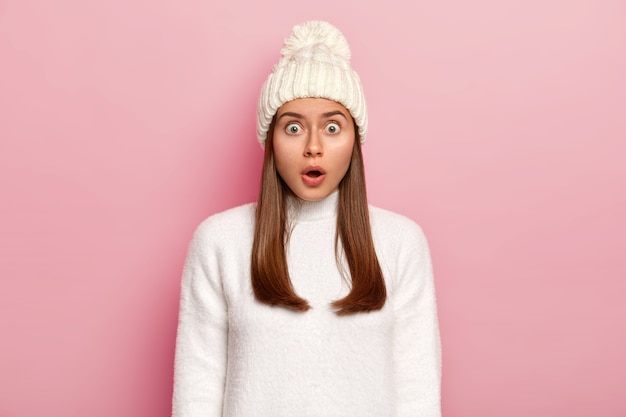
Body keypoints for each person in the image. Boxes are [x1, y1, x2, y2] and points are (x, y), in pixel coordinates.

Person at [172, 20, 441, 417]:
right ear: (271, 140)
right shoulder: (219, 241)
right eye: (294, 127)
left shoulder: (401, 242)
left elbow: (417, 395)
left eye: (332, 127)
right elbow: (197, 393)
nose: (313, 147)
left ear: (354, 140)